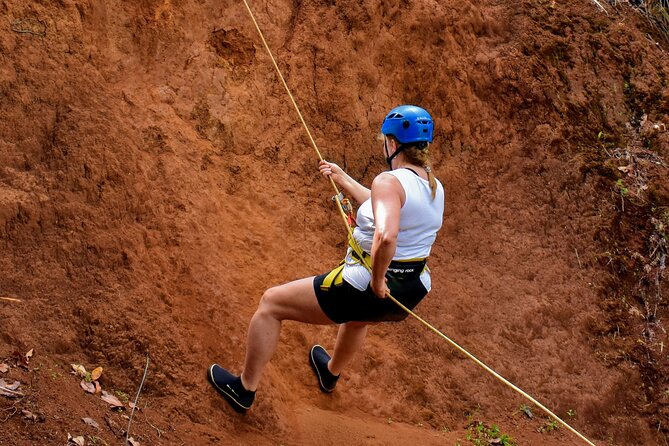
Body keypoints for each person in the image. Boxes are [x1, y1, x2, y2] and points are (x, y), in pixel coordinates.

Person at [207, 105, 445, 412]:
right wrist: (343, 179)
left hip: (368, 286)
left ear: (393, 143)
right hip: (410, 291)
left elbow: (386, 235)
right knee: (358, 320)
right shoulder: (433, 186)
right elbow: (385, 206)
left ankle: (244, 388)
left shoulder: (389, 181)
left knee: (270, 304)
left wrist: (375, 279)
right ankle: (330, 373)